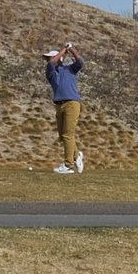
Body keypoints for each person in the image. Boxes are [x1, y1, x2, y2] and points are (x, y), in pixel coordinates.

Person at [43, 43, 85, 175]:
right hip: (59, 104)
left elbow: (80, 62)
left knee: (68, 134)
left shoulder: (70, 69)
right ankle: (77, 155)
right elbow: (52, 63)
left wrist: (71, 50)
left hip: (72, 103)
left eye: (50, 57)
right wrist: (63, 51)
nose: (48, 60)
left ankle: (68, 165)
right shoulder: (50, 71)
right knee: (63, 135)